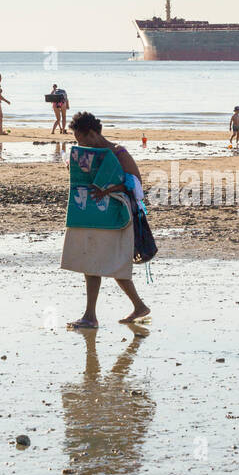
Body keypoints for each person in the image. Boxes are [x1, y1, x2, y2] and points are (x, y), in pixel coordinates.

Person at [62, 111, 150, 329]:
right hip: (91, 216)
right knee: (90, 263)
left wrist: (109, 189)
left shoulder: (119, 153)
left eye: (80, 139)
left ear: (91, 134)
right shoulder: (88, 156)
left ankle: (137, 306)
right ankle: (90, 316)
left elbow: (137, 185)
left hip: (116, 216)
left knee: (115, 263)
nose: (80, 144)